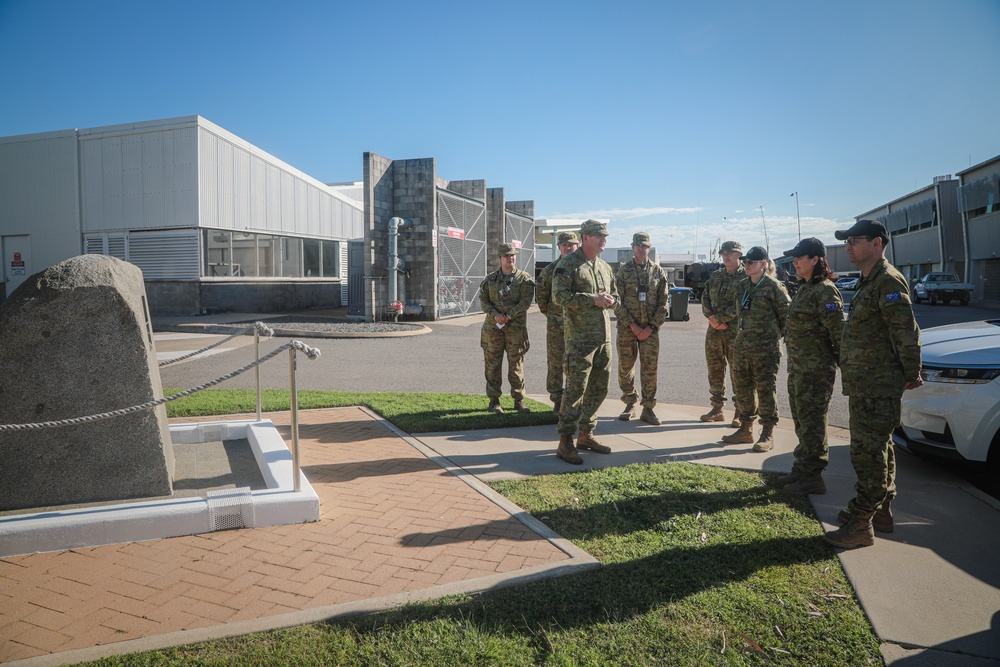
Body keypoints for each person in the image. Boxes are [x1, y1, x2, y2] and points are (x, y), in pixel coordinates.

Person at [824, 220, 921, 549]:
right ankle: (880, 511)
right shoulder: (871, 280)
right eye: (847, 241)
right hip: (867, 382)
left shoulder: (888, 281)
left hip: (878, 385)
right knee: (880, 449)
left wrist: (912, 371)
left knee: (867, 453)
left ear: (877, 243)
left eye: (855, 240)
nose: (849, 246)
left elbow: (905, 332)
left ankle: (861, 522)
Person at [778, 237, 844, 495]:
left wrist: (843, 368)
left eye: (799, 257)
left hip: (815, 372)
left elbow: (838, 335)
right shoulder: (806, 288)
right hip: (799, 369)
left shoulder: (825, 290)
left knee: (813, 424)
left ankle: (813, 477)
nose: (794, 262)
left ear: (815, 259)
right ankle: (802, 468)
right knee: (802, 422)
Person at [551, 219, 619, 464]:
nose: (603, 240)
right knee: (575, 391)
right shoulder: (569, 264)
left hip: (603, 340)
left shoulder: (604, 266)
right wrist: (593, 299)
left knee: (599, 389)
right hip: (580, 341)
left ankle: (586, 434)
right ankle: (565, 441)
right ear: (586, 238)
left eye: (605, 236)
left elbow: (617, 296)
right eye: (599, 236)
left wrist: (612, 301)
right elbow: (558, 297)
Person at [722, 246, 790, 451]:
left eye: (752, 262)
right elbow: (739, 313)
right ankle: (745, 429)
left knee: (765, 390)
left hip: (765, 349)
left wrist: (772, 338)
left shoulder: (774, 287)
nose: (747, 265)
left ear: (764, 264)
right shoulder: (742, 286)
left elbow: (787, 318)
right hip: (742, 347)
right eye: (745, 261)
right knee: (743, 389)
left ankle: (767, 433)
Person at [614, 232, 669, 425]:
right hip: (627, 328)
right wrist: (632, 325)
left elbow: (664, 302)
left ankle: (648, 408)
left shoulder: (658, 272)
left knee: (649, 369)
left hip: (650, 330)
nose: (640, 248)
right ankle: (630, 403)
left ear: (649, 248)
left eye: (644, 246)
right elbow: (616, 302)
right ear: (632, 247)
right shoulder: (623, 272)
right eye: (637, 245)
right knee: (625, 368)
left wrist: (651, 326)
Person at [479, 243, 535, 414]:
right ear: (500, 259)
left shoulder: (524, 279)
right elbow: (484, 300)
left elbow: (525, 301)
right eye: (506, 256)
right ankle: (494, 401)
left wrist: (509, 315)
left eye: (513, 255)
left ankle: (519, 401)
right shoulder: (490, 280)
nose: (510, 258)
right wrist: (496, 314)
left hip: (515, 330)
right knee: (492, 365)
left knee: (516, 366)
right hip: (493, 329)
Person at [700, 241, 746, 427]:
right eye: (723, 253)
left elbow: (741, 303)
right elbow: (705, 298)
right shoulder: (716, 276)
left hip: (735, 331)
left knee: (738, 371)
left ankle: (740, 411)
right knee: (715, 370)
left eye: (730, 253)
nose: (726, 256)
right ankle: (717, 408)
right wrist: (711, 317)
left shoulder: (746, 277)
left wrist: (720, 318)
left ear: (739, 255)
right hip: (714, 332)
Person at [536, 230, 580, 413]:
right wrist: (554, 316)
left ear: (577, 246)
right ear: (559, 247)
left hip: (579, 326)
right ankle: (557, 399)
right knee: (555, 362)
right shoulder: (549, 271)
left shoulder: (583, 268)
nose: (568, 247)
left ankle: (575, 400)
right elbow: (542, 298)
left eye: (572, 244)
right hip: (557, 325)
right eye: (565, 244)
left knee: (577, 363)